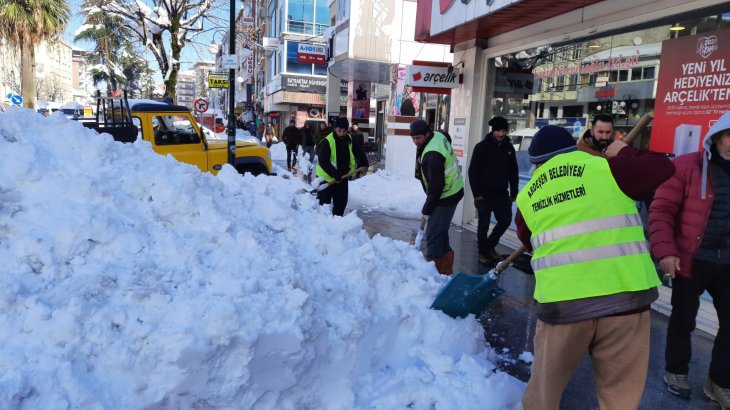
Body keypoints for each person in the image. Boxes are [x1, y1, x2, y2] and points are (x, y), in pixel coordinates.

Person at [515, 125, 674, 409]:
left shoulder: (527, 197)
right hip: (626, 298)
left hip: (564, 305)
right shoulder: (609, 169)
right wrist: (623, 151)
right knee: (619, 396)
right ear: (575, 148)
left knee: (544, 391)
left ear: (536, 162)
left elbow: (528, 241)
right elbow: (662, 167)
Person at [648, 111, 730, 407]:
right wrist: (666, 251)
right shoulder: (686, 166)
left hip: (728, 263)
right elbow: (660, 211)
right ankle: (676, 371)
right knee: (683, 321)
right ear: (717, 136)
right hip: (690, 260)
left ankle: (719, 382)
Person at [410, 119, 464, 275]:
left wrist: (426, 210)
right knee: (440, 231)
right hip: (453, 190)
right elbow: (447, 137)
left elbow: (436, 188)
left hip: (446, 195)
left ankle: (435, 275)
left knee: (433, 236)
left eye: (418, 138)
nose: (415, 142)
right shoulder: (438, 136)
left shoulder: (432, 156)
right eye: (413, 138)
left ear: (427, 133)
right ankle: (447, 271)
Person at [468, 116, 518, 265]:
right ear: (493, 130)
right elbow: (473, 172)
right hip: (483, 195)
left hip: (501, 193)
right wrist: (477, 194)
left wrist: (514, 192)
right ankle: (483, 253)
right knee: (483, 224)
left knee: (505, 221)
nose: (502, 134)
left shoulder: (509, 148)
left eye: (504, 130)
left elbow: (513, 171)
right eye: (498, 131)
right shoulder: (481, 147)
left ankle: (489, 246)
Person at [315, 118, 368, 216]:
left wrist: (364, 162)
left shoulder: (349, 139)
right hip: (325, 179)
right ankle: (322, 228)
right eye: (339, 131)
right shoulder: (327, 141)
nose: (342, 134)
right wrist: (335, 174)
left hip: (342, 177)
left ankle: (337, 225)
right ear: (335, 129)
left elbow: (358, 152)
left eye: (344, 131)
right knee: (323, 208)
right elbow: (323, 161)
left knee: (341, 204)